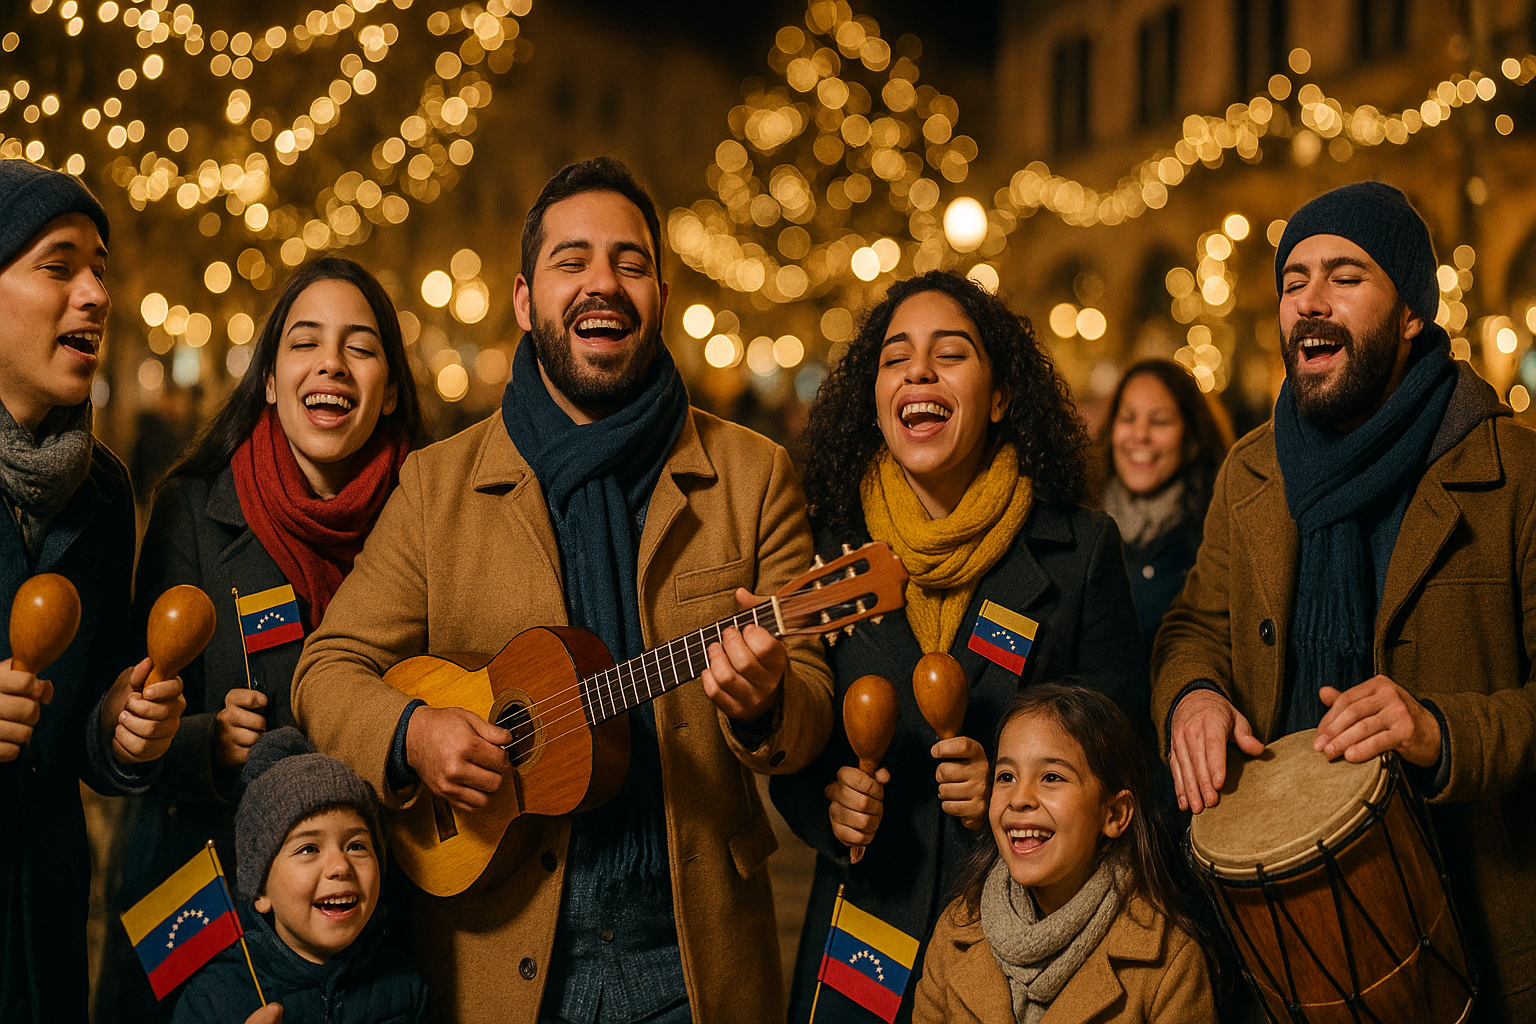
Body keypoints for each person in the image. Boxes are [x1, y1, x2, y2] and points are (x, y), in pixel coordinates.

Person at [291, 157, 832, 1024]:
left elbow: (811, 702)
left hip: (692, 955)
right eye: (571, 261)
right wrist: (413, 732)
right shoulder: (439, 486)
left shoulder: (751, 475)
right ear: (524, 299)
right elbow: (329, 668)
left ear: (660, 292)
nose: (601, 285)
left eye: (629, 262)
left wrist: (768, 706)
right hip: (496, 952)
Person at [1153, 180, 1536, 1022]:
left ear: (1410, 313)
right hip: (1271, 938)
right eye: (1293, 281)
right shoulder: (1251, 470)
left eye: (1345, 276)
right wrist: (1194, 696)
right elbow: (1194, 627)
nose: (1309, 303)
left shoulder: (1513, 472)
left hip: (1467, 932)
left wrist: (1439, 732)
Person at [772, 271, 1146, 1023]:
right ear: (875, 401)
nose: (919, 370)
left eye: (951, 354)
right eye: (895, 356)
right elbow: (797, 732)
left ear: (1001, 397)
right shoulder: (827, 551)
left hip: (1024, 954)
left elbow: (1125, 752)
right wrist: (828, 805)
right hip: (862, 935)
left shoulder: (1078, 551)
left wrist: (1017, 795)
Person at [102, 256, 430, 1019]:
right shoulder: (190, 509)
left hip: (373, 911)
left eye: (361, 346)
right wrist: (205, 743)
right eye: (305, 341)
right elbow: (126, 719)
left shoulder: (430, 518)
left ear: (388, 392)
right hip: (212, 900)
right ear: (272, 379)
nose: (332, 364)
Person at [0, 160, 187, 1023]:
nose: (96, 294)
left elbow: (84, 741)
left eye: (101, 270)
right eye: (58, 264)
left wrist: (122, 728)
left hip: (41, 937)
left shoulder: (104, 495)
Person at [913, 684, 1214, 1023]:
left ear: (1115, 814)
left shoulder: (1171, 966)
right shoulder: (956, 931)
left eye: (1051, 777)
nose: (1019, 798)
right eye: (1006, 776)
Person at [171, 727, 430, 1024]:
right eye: (308, 849)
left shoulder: (405, 987)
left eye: (356, 845)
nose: (340, 867)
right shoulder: (211, 1001)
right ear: (260, 893)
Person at [1098, 359, 1232, 653]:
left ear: (1192, 438)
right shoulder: (1081, 521)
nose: (1140, 435)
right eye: (1128, 418)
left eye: (1159, 421)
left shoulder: (1218, 537)